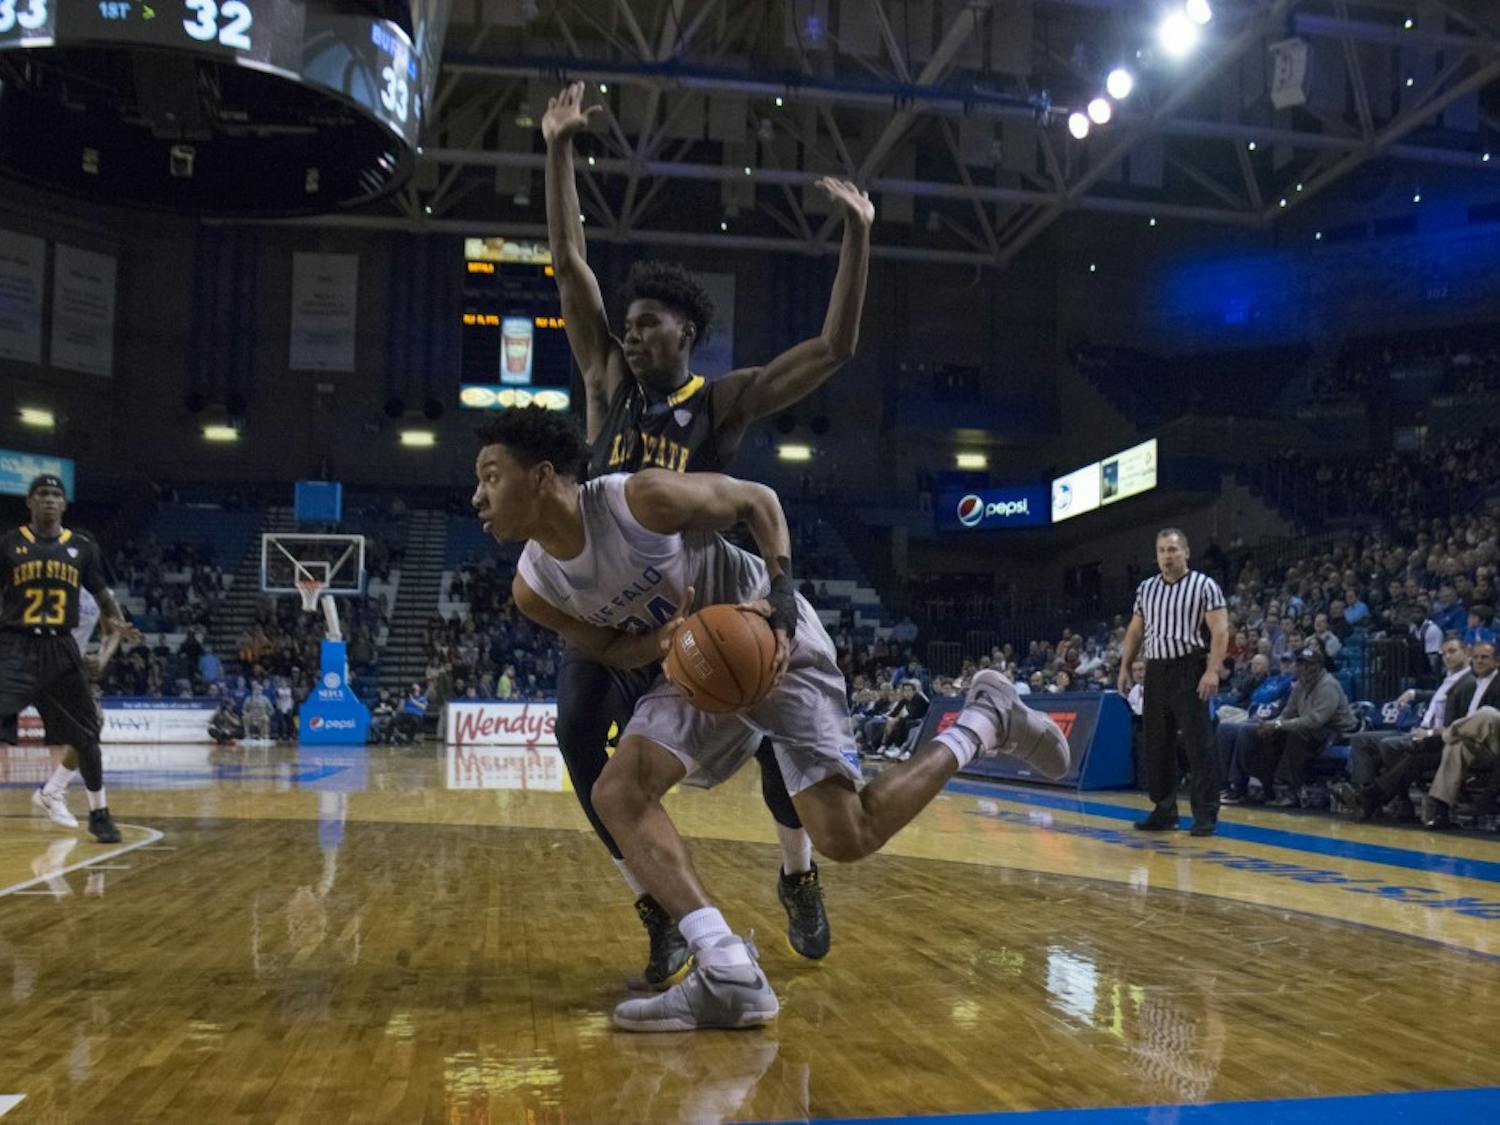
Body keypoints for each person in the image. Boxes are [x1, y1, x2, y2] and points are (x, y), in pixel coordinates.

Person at [475, 408, 1068, 1030]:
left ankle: (986, 721)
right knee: (617, 792)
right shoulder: (533, 588)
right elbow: (605, 650)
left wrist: (781, 595)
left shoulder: (639, 500)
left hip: (767, 632)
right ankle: (728, 969)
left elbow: (757, 499)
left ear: (542, 476)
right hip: (696, 662)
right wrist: (657, 644)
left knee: (847, 836)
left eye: (491, 477)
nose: (478, 497)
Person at [541, 80, 875, 981]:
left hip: (698, 602)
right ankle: (655, 906)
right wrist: (560, 147)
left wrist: (857, 233)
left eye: (649, 323)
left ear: (686, 329)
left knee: (773, 738)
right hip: (612, 603)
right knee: (576, 733)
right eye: (628, 324)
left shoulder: (720, 404)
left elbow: (833, 349)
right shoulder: (607, 380)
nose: (632, 335)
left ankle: (797, 873)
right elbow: (570, 264)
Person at [1, 475, 141, 843]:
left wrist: (107, 649)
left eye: (56, 495)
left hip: (62, 650)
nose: (49, 500)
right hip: (16, 645)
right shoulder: (9, 544)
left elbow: (107, 606)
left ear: (64, 504)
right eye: (42, 494)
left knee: (88, 732)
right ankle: (53, 792)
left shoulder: (82, 549)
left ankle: (98, 813)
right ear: (30, 501)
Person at [1118, 529, 1229, 837]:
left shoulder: (1204, 585)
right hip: (1156, 669)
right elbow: (1136, 630)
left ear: (1186, 552)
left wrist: (1212, 670)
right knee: (1156, 743)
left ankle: (1205, 814)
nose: (1167, 556)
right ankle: (1164, 810)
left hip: (1189, 667)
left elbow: (1220, 631)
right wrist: (1125, 666)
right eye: (1162, 550)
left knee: (1198, 743)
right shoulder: (1146, 588)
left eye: (1173, 550)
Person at [1333, 637, 1471, 821]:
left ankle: (1380, 799)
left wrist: (1429, 733)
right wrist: (1414, 693)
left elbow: (1460, 723)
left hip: (1439, 738)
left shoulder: (1468, 681)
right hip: (1421, 730)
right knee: (1360, 739)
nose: (1447, 656)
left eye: (1452, 651)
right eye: (1444, 653)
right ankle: (1363, 792)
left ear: (1466, 653)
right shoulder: (1451, 678)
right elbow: (1439, 696)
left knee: (1390, 745)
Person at [1250, 642, 1358, 806]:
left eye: (1309, 664)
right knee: (1272, 734)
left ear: (1318, 666)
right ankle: (1267, 785)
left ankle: (1289, 788)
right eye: (1301, 663)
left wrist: (1279, 725)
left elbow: (1315, 720)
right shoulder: (1299, 685)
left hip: (1337, 731)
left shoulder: (1328, 685)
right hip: (1312, 728)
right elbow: (1287, 714)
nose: (1304, 668)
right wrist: (1270, 725)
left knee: (1297, 734)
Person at [1421, 640, 1500, 828]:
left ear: (1496, 661)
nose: (1479, 661)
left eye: (1485, 657)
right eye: (1476, 657)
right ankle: (1440, 809)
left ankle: (1448, 733)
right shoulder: (1469, 684)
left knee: (1488, 713)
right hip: (1481, 747)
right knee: (1457, 746)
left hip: (1496, 740)